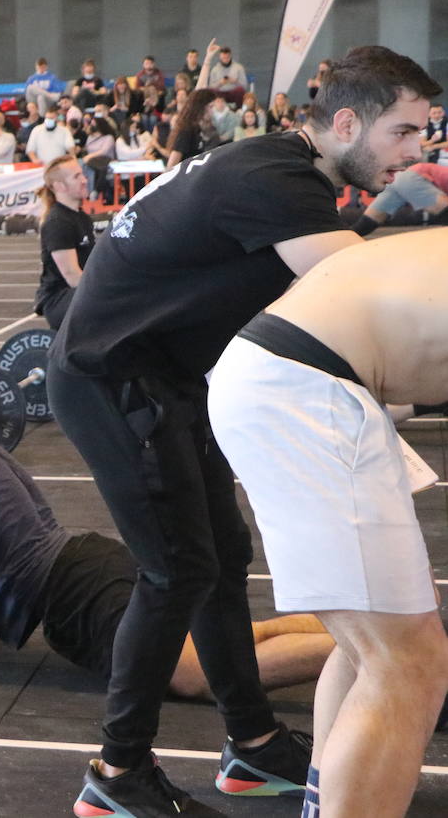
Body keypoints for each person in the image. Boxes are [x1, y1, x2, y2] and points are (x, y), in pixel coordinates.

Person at [45, 45, 438, 816]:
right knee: (175, 571)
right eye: (404, 133)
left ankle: (252, 747)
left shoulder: (282, 170)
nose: (418, 151)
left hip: (167, 378)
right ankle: (115, 775)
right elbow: (369, 303)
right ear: (347, 122)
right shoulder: (278, 182)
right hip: (112, 379)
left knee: (222, 560)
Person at [0, 348, 333, 703]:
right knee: (224, 643)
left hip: (73, 593)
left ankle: (371, 654)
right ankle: (353, 637)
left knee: (196, 679)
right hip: (87, 561)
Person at [207, 231, 448, 818]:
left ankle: (325, 798)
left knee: (374, 641)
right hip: (306, 384)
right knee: (406, 661)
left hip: (293, 375)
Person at [33, 156, 93, 330]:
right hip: (59, 300)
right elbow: (73, 276)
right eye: (76, 177)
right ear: (60, 186)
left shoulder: (82, 218)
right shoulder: (58, 222)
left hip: (77, 295)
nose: (84, 180)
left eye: (82, 175)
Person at [348, 161, 448, 233]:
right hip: (412, 177)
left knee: (370, 220)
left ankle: (342, 240)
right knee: (444, 211)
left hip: (399, 178)